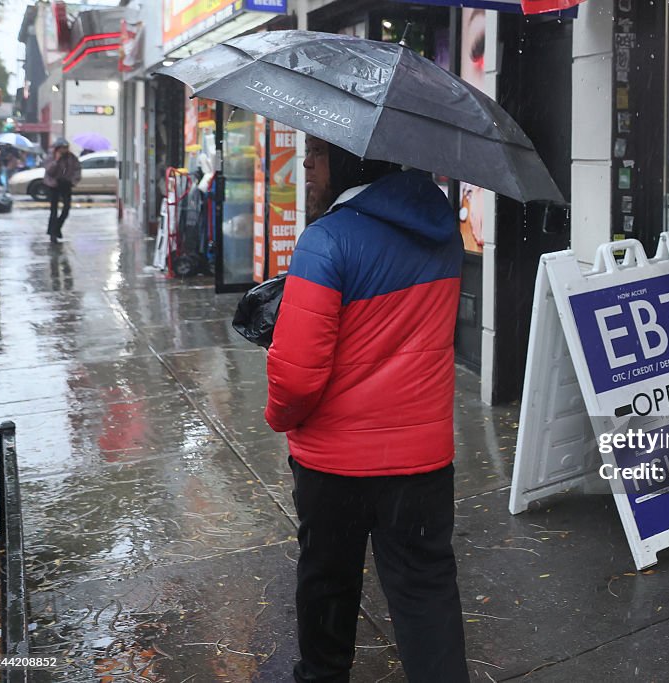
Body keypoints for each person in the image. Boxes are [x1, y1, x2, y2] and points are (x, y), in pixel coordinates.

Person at [265, 135, 469, 683]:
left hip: (335, 464)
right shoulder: (442, 230)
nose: (305, 162)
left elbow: (296, 374)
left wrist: (279, 416)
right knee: (427, 593)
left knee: (328, 586)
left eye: (316, 151)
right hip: (423, 459)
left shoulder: (325, 239)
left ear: (348, 160)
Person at [43, 138, 81, 243]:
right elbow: (49, 171)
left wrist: (74, 180)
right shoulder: (51, 157)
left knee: (66, 208)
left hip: (66, 184)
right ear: (58, 148)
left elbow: (77, 169)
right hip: (53, 184)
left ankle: (57, 228)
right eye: (63, 148)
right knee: (54, 210)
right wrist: (56, 160)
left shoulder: (71, 157)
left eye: (66, 147)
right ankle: (53, 234)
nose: (65, 150)